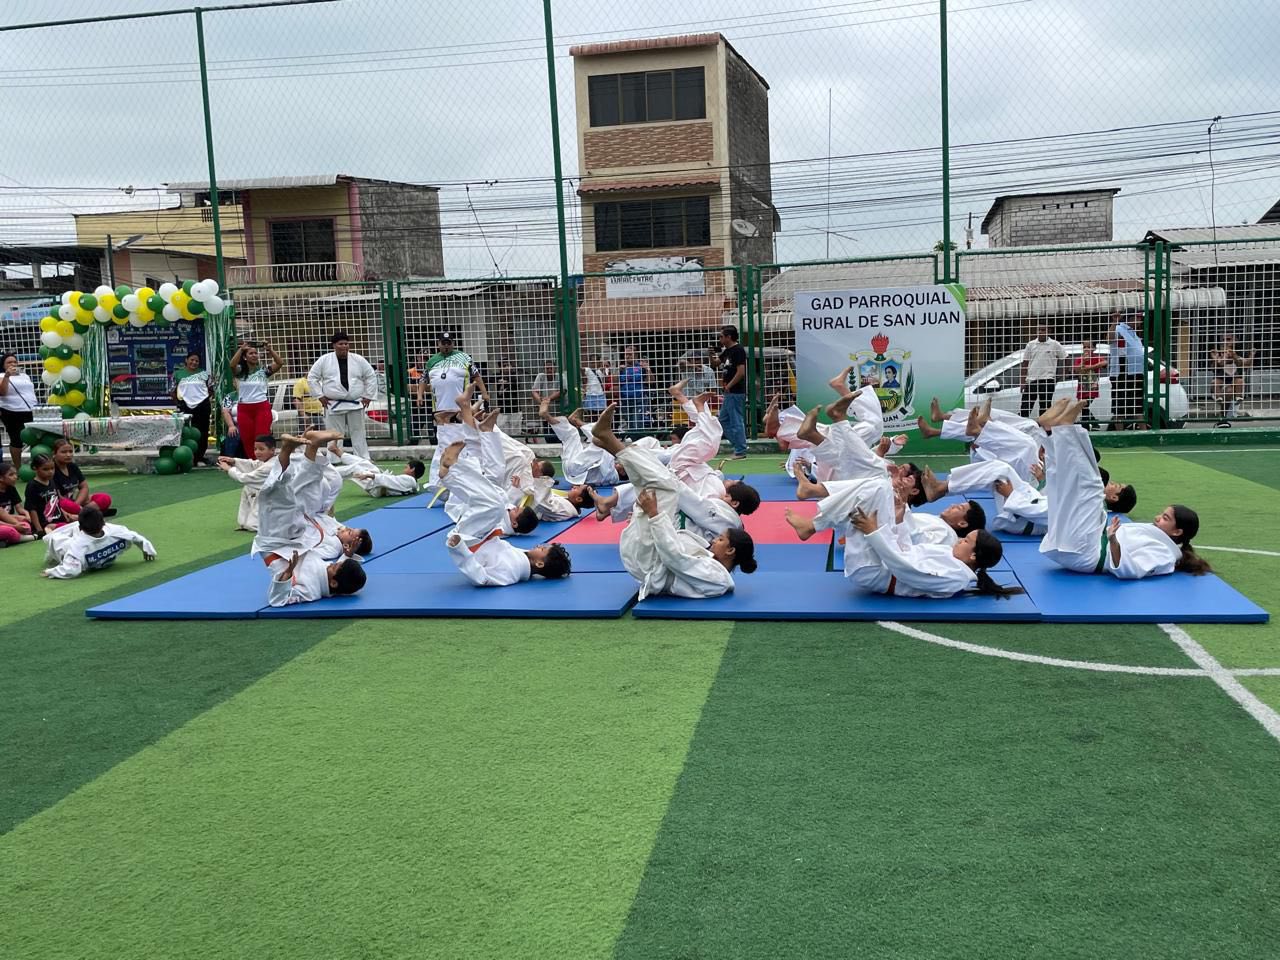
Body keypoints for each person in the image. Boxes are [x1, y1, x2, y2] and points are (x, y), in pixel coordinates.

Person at [592, 404, 756, 600]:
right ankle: (609, 442)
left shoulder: (719, 578)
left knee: (668, 486)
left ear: (730, 550)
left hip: (649, 564)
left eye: (720, 540)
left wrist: (655, 515)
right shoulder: (712, 563)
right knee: (660, 484)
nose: (714, 540)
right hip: (651, 555)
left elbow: (675, 558)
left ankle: (610, 442)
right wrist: (654, 517)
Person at [1038, 400, 1209, 578]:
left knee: (1092, 487)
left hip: (1087, 553)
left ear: (1177, 531)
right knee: (1062, 489)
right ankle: (1050, 432)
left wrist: (1113, 541)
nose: (1157, 517)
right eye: (1162, 514)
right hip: (1076, 546)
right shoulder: (1155, 536)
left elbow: (1130, 569)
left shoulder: (1165, 554)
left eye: (1165, 518)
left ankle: (1064, 429)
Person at [252, 432, 367, 606]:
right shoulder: (328, 576)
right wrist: (347, 555)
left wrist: (287, 574)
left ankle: (288, 449)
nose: (332, 564)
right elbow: (339, 566)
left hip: (275, 542)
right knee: (303, 490)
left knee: (277, 495)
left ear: (333, 583)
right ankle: (312, 446)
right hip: (298, 539)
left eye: (334, 566)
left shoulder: (310, 591)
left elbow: (277, 600)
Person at [425, 332, 487, 491]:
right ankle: (440, 479)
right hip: (440, 408)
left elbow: (476, 376)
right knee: (443, 443)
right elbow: (423, 380)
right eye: (443, 343)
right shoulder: (432, 361)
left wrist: (484, 393)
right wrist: (419, 395)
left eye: (449, 342)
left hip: (461, 409)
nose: (446, 345)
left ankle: (462, 476)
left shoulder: (464, 358)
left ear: (453, 343)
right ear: (438, 343)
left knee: (464, 440)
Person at [307, 330, 377, 459]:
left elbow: (371, 376)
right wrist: (319, 396)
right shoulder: (324, 360)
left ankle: (362, 458)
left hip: (355, 402)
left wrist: (368, 396)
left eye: (346, 343)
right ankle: (333, 459)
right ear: (334, 345)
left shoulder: (358, 359)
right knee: (334, 434)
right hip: (333, 403)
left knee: (358, 432)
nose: (344, 346)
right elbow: (312, 378)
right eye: (340, 344)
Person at [40, 504, 155, 579]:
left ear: (81, 529)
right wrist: (147, 549)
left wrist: (51, 571)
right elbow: (135, 536)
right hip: (106, 559)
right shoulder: (115, 531)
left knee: (54, 538)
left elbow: (71, 570)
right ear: (104, 522)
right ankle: (59, 528)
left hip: (85, 557)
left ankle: (50, 531)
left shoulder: (78, 545)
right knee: (72, 528)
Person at [446, 531, 571, 587]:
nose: (539, 546)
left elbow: (480, 579)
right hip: (481, 536)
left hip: (472, 543)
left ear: (539, 563)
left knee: (494, 504)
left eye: (542, 549)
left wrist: (459, 549)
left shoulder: (512, 571)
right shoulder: (524, 557)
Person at [217, 434, 277, 531]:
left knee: (253, 525)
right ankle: (243, 522)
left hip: (273, 499)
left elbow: (245, 478)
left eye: (261, 449)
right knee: (248, 487)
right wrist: (234, 461)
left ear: (272, 450)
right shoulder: (266, 461)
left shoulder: (270, 466)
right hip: (267, 495)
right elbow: (253, 464)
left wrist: (229, 469)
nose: (257, 452)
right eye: (255, 449)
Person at [228, 340, 282, 448]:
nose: (254, 355)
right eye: (251, 353)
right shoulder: (240, 371)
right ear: (245, 357)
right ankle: (251, 458)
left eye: (255, 353)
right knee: (247, 439)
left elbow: (280, 363)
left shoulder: (263, 371)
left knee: (262, 438)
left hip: (261, 407)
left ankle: (263, 458)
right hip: (244, 409)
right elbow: (232, 365)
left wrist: (270, 350)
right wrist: (241, 349)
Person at [50, 438, 114, 518]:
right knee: (64, 504)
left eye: (70, 451)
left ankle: (83, 513)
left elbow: (84, 487)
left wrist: (76, 504)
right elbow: (58, 498)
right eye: (64, 452)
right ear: (54, 453)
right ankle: (89, 513)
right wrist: (73, 506)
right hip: (61, 504)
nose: (68, 455)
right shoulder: (51, 470)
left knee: (105, 498)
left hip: (74, 502)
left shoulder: (72, 466)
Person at [329, 448, 425, 498]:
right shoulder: (412, 483)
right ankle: (338, 452)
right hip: (380, 485)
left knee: (355, 468)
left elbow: (390, 480)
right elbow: (391, 480)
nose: (404, 468)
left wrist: (371, 475)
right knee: (366, 463)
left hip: (376, 488)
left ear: (412, 469)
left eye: (406, 467)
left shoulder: (409, 480)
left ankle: (328, 471)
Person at [171, 350, 211, 464]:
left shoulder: (204, 374)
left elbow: (211, 389)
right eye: (192, 360)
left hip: (202, 407)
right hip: (185, 407)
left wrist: (202, 399)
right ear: (186, 360)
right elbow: (172, 391)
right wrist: (180, 403)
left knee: (203, 431)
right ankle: (188, 457)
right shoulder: (177, 374)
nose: (194, 362)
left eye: (197, 361)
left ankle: (200, 457)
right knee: (187, 432)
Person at [1019, 324, 1067, 419]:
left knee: (1045, 407)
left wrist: (1062, 374)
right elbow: (1025, 363)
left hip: (1047, 379)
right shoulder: (1031, 344)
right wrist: (1022, 381)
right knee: (1025, 407)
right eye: (1039, 330)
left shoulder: (1055, 344)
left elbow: (1066, 358)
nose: (1040, 332)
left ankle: (1044, 426)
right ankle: (1023, 425)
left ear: (1048, 331)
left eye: (1043, 330)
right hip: (1032, 380)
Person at [0, 352, 39, 468]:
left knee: (35, 437)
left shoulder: (24, 375)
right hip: (11, 411)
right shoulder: (1, 375)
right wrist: (7, 376)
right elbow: (3, 392)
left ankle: (37, 465)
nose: (13, 364)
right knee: (17, 440)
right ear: (3, 365)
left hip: (30, 410)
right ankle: (18, 467)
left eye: (15, 362)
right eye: (9, 362)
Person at [1108, 311, 1145, 430]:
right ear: (1131, 318)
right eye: (1138, 318)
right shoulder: (1119, 328)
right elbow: (1109, 339)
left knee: (1137, 405)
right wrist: (1114, 322)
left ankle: (1144, 432)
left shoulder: (1134, 333)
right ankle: (1120, 433)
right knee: (1119, 405)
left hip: (1136, 372)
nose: (1140, 321)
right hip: (1122, 372)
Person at [718, 325, 749, 459]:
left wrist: (729, 385)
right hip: (729, 391)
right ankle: (739, 445)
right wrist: (710, 354)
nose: (720, 339)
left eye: (721, 336)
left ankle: (740, 449)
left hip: (735, 391)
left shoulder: (738, 350)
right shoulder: (727, 351)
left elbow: (741, 372)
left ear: (728, 337)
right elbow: (716, 363)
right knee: (723, 420)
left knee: (735, 420)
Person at [1210, 333, 1255, 423]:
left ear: (1235, 340)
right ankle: (1224, 416)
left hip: (1235, 383)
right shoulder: (1219, 353)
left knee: (1235, 386)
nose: (1226, 342)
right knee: (1219, 386)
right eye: (1223, 340)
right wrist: (1217, 358)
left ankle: (1224, 417)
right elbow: (1214, 368)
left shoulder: (1239, 352)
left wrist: (1250, 355)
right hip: (1221, 383)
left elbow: (1246, 364)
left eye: (1228, 339)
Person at [23, 454, 71, 537]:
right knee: (67, 528)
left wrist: (65, 513)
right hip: (46, 523)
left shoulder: (52, 481)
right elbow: (32, 509)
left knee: (78, 520)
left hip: (58, 519)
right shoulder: (32, 485)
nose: (50, 472)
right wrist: (39, 529)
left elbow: (56, 502)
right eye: (45, 469)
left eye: (52, 468)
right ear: (35, 468)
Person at [1073, 337, 1107, 431]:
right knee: (1082, 406)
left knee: (1084, 405)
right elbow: (1076, 370)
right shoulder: (1079, 359)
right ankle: (1093, 423)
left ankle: (1087, 427)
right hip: (1082, 387)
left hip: (1092, 386)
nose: (1086, 349)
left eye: (1089, 347)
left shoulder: (1096, 358)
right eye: (1084, 347)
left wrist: (1090, 367)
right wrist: (1084, 361)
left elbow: (1105, 362)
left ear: (1094, 348)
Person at [0, 462, 36, 545]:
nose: (15, 477)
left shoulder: (11, 488)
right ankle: (30, 537)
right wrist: (15, 525)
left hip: (9, 520)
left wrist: (27, 515)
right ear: (1, 478)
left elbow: (19, 508)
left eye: (15, 474)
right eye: (11, 475)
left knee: (25, 524)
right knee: (9, 531)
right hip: (4, 523)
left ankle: (7, 540)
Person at [618, 345, 651, 433]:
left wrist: (648, 370)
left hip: (639, 400)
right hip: (625, 401)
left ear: (635, 355)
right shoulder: (622, 368)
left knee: (637, 425)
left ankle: (638, 440)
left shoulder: (641, 367)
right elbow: (615, 384)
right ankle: (633, 440)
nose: (627, 356)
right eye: (626, 354)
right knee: (629, 425)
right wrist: (617, 372)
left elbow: (651, 381)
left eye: (630, 354)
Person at [531, 361, 565, 441]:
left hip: (558, 410)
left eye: (551, 368)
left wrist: (548, 399)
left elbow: (562, 390)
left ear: (554, 368)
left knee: (559, 434)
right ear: (544, 369)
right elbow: (534, 391)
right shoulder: (541, 376)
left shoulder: (560, 376)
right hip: (546, 411)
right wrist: (540, 401)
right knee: (548, 436)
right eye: (547, 368)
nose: (549, 370)